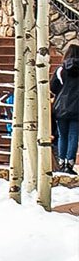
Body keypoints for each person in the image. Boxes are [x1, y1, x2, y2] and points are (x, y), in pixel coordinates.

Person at [51, 42, 79, 173]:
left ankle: (61, 162)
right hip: (77, 107)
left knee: (62, 135)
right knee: (74, 135)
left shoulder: (60, 70)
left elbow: (53, 87)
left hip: (61, 107)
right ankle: (70, 163)